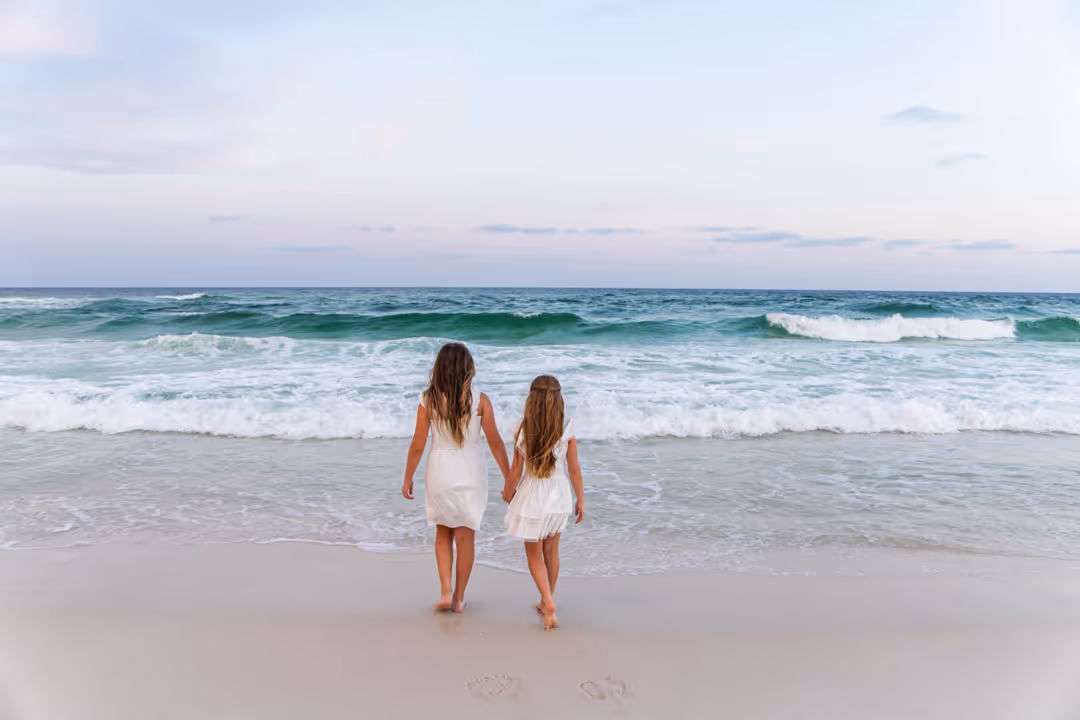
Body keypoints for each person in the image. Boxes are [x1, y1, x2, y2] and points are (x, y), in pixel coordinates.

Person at [402, 343, 510, 612]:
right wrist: (510, 478)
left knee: (442, 531)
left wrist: (408, 477)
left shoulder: (428, 400)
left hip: (440, 470)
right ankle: (459, 598)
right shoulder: (480, 400)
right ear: (468, 368)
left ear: (438, 368)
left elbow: (417, 444)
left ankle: (445, 591)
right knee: (465, 537)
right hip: (470, 470)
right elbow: (496, 442)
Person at [501, 375, 585, 630]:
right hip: (559, 495)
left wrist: (507, 492)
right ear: (559, 400)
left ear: (531, 399)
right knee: (552, 551)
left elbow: (516, 470)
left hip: (533, 495)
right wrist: (580, 499)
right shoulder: (567, 428)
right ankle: (544, 600)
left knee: (534, 554)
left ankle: (548, 601)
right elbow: (574, 469)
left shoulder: (522, 428)